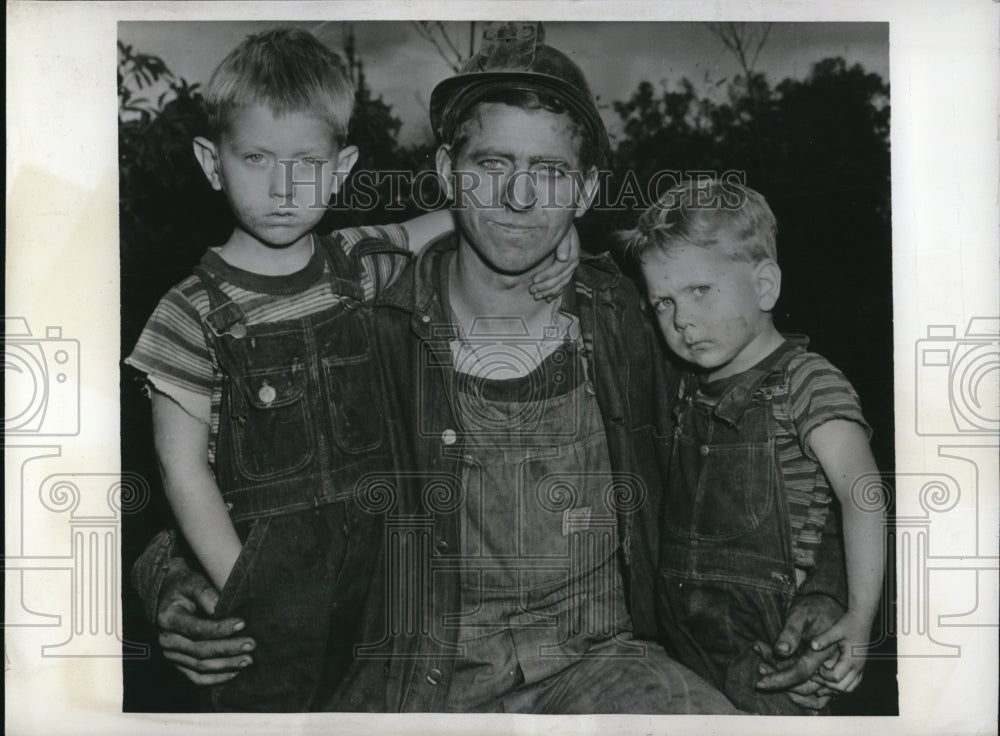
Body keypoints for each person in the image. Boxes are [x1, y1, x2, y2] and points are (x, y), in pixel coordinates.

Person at [134, 22, 851, 714]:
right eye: (492, 165)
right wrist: (173, 578)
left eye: (549, 172)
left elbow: (774, 427)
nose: (518, 198)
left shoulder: (641, 318)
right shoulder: (358, 313)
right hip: (408, 680)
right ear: (447, 170)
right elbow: (239, 471)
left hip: (605, 666)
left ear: (587, 189)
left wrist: (823, 590)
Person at [125, 27, 574, 711]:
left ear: (341, 169)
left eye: (307, 162)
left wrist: (559, 226)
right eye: (255, 158)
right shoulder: (187, 313)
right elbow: (181, 470)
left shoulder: (357, 262)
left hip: (386, 590)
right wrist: (246, 591)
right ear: (212, 163)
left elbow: (461, 215)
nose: (284, 186)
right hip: (270, 601)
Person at [624, 178, 885, 713]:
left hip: (767, 654)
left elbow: (864, 494)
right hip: (682, 644)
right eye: (664, 302)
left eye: (699, 290)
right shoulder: (687, 390)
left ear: (765, 285)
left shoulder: (807, 381)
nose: (681, 320)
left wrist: (860, 615)